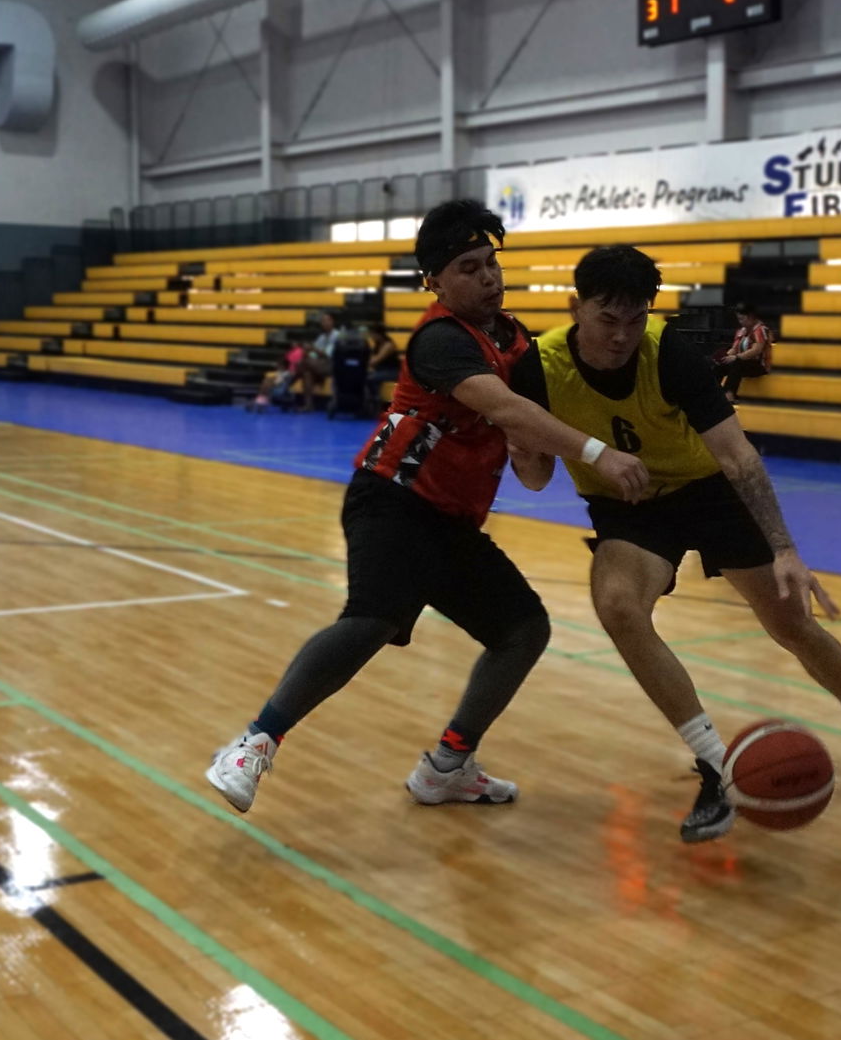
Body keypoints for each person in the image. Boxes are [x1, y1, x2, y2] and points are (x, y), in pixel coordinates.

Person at [205, 200, 649, 815]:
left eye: (492, 263)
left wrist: (539, 446)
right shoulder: (439, 339)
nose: (488, 277)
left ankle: (447, 766)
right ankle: (253, 743)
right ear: (435, 281)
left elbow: (534, 463)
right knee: (373, 618)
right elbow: (506, 407)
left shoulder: (516, 340)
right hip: (391, 500)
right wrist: (596, 452)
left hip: (452, 522)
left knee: (522, 629)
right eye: (469, 267)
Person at [504, 245, 841, 843]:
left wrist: (785, 549)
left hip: (708, 489)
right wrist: (521, 448)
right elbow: (537, 477)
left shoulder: (670, 352)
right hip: (630, 504)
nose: (622, 335)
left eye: (634, 318)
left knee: (791, 625)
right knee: (619, 607)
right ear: (576, 307)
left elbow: (737, 455)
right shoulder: (537, 367)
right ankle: (712, 762)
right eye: (606, 319)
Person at [715, 303, 773, 400]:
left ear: (751, 317)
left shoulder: (761, 330)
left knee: (737, 364)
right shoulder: (741, 331)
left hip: (759, 365)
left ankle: (729, 395)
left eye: (742, 319)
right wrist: (725, 357)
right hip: (743, 362)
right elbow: (734, 348)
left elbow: (756, 350)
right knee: (720, 366)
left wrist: (737, 357)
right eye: (739, 319)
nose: (740, 322)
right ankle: (715, 392)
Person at [249, 339, 310, 412]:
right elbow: (287, 361)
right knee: (267, 380)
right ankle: (261, 398)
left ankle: (262, 399)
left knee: (270, 382)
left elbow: (291, 371)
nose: (293, 344)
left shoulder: (304, 355)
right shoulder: (291, 354)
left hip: (284, 382)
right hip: (285, 376)